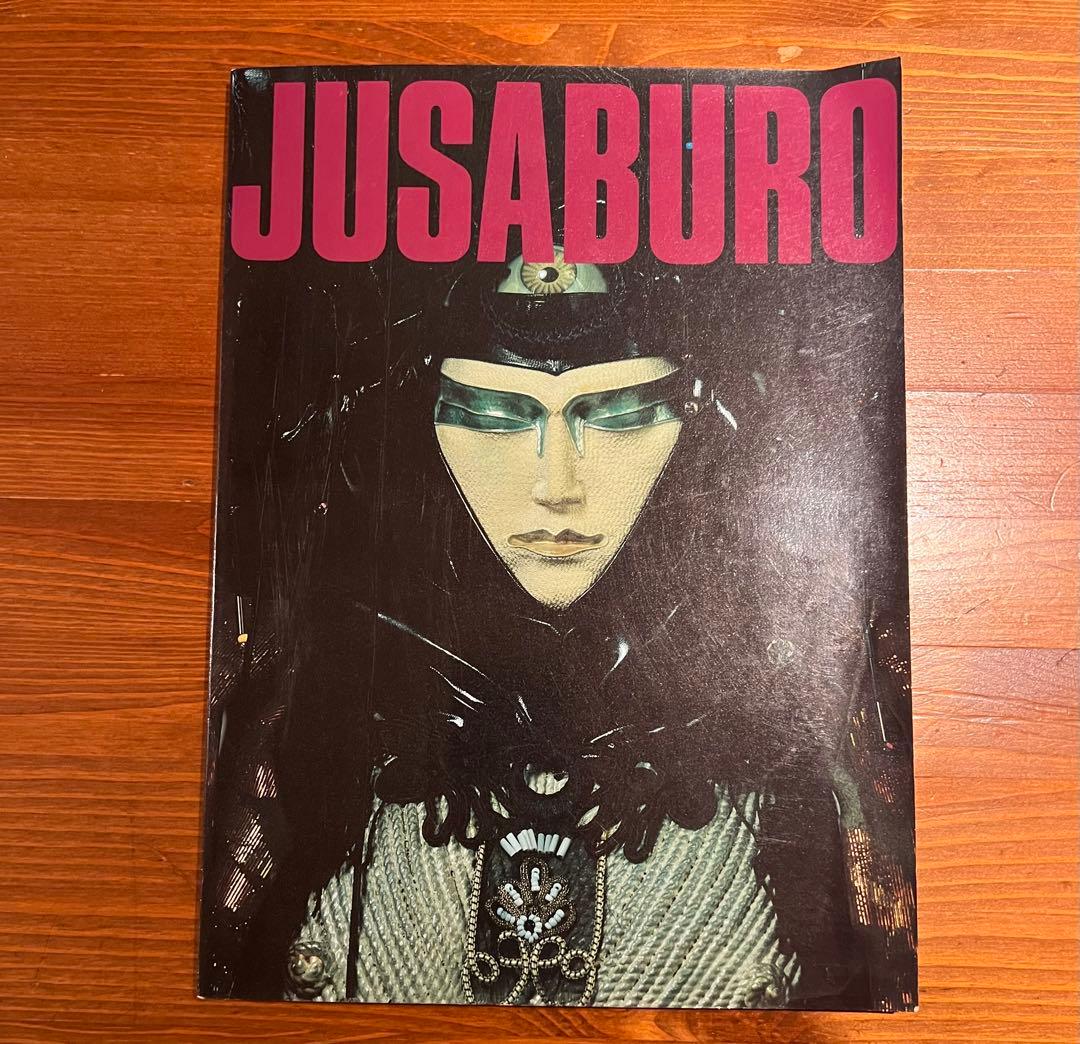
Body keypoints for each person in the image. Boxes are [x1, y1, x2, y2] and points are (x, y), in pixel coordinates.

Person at [200, 248, 916, 1010]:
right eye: (495, 414)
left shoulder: (817, 716)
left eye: (618, 412)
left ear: (701, 415)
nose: (557, 488)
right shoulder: (291, 711)